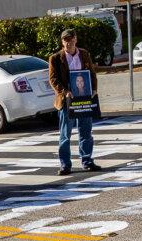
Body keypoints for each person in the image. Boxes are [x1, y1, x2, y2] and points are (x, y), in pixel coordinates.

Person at [49, 28, 101, 175]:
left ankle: (87, 161)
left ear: (76, 40)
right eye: (66, 40)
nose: (69, 42)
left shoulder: (84, 54)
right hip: (67, 101)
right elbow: (53, 79)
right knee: (65, 135)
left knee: (86, 131)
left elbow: (91, 73)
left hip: (84, 99)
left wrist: (94, 89)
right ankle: (65, 165)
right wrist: (65, 92)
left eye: (71, 39)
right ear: (62, 41)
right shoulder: (55, 58)